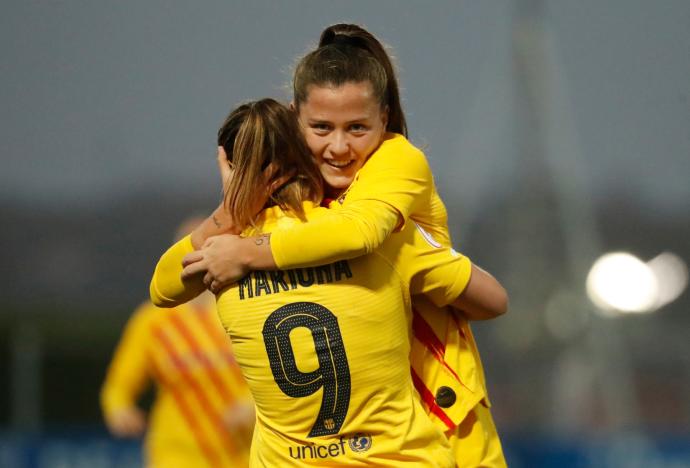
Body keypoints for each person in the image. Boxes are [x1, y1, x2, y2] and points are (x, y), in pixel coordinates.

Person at [180, 24, 508, 467]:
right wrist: (233, 213)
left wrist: (245, 249)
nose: (339, 146)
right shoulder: (289, 208)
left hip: (436, 412)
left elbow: (361, 233)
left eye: (357, 128)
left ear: (385, 119)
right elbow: (166, 286)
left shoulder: (395, 168)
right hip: (338, 440)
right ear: (296, 118)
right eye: (321, 127)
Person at [101, 217, 254, 468]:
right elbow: (119, 385)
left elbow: (276, 375)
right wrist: (118, 409)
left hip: (241, 454)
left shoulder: (244, 309)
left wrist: (252, 407)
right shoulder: (154, 321)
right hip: (174, 456)